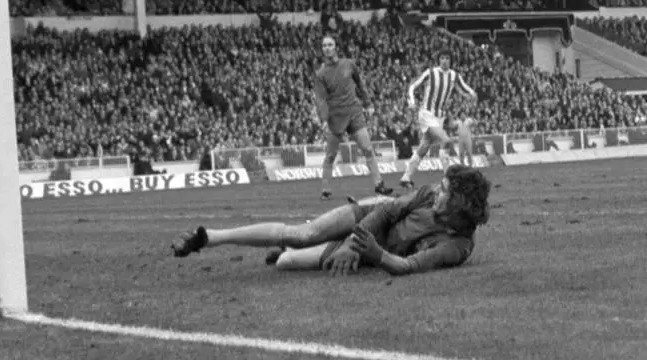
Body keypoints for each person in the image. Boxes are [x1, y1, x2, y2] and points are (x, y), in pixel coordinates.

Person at [171, 164, 491, 276]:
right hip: (364, 219)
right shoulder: (425, 193)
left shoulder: (457, 246)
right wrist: (353, 242)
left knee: (285, 264)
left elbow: (407, 267)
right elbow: (385, 210)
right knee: (302, 233)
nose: (437, 189)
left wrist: (371, 253)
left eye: (445, 189)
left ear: (458, 203)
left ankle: (282, 251)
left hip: (369, 250)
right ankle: (210, 236)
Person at [313, 34, 392, 200]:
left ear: (336, 47)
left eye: (330, 44)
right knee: (330, 156)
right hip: (335, 118)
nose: (327, 48)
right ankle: (325, 190)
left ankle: (379, 185)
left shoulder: (349, 64)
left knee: (368, 149)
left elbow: (360, 84)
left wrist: (367, 102)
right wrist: (324, 119)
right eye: (324, 45)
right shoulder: (321, 74)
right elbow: (320, 100)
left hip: (354, 113)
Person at [400, 51, 477, 189]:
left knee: (424, 147)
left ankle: (406, 178)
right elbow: (413, 86)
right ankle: (448, 180)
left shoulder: (454, 75)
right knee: (446, 140)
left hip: (439, 117)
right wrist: (411, 101)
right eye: (442, 58)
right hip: (427, 114)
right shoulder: (430, 73)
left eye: (447, 58)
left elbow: (464, 86)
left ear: (450, 60)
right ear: (438, 60)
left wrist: (472, 93)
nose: (444, 61)